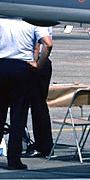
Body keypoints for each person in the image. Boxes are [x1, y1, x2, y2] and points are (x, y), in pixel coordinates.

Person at [0, 17, 50, 170]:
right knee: (18, 114)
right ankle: (14, 158)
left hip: (2, 66)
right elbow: (48, 44)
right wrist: (39, 64)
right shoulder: (33, 21)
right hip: (22, 67)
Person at [25, 25, 55, 157]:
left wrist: (34, 63)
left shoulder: (35, 21)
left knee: (36, 106)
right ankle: (44, 143)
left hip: (37, 63)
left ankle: (42, 144)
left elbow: (37, 45)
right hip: (44, 62)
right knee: (39, 106)